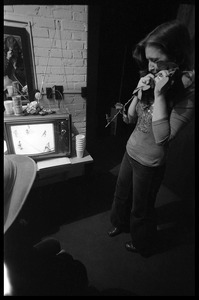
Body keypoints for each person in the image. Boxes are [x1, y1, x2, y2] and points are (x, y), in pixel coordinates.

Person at [107, 20, 195, 256]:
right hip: (131, 150)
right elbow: (129, 119)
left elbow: (161, 138)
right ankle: (119, 222)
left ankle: (143, 243)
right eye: (148, 59)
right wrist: (138, 91)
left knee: (142, 207)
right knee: (121, 193)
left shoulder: (187, 93)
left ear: (176, 55)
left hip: (150, 162)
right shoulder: (151, 77)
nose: (151, 66)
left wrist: (159, 95)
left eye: (156, 60)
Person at [4, 155, 96, 296]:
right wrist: (63, 261)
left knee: (54, 244)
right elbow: (30, 272)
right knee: (77, 267)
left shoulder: (12, 237)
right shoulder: (12, 247)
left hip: (25, 265)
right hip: (29, 277)